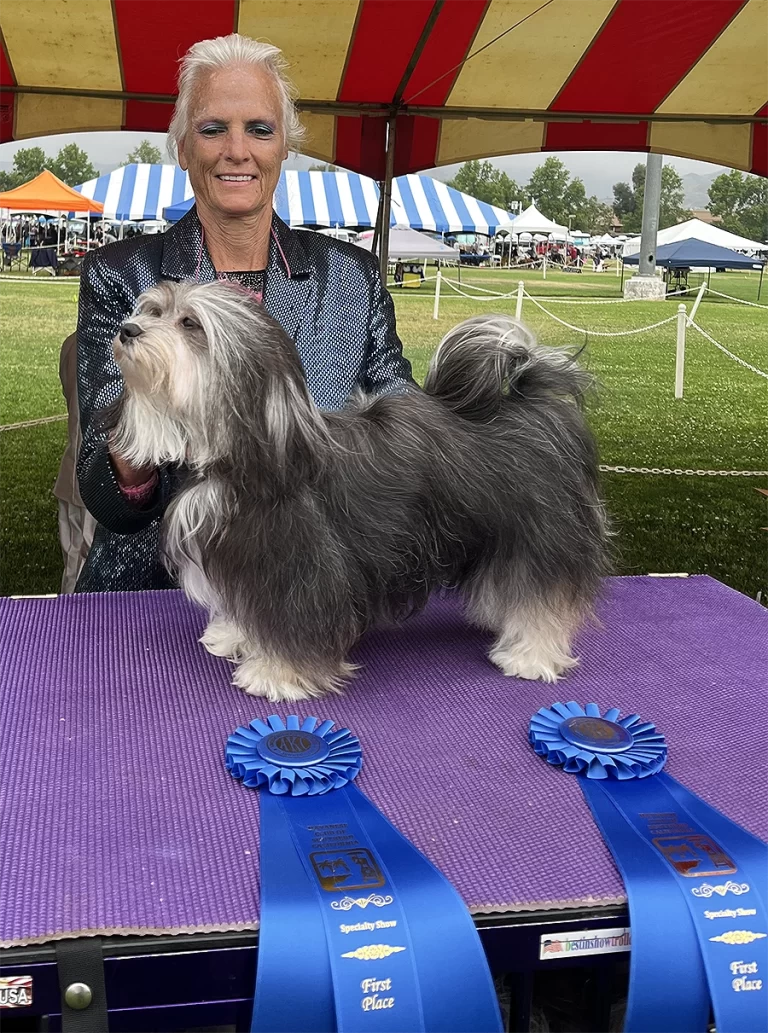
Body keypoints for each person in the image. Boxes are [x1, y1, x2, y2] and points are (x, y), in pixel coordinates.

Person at [74, 32, 413, 593]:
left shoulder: (353, 276)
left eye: (260, 129)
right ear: (183, 149)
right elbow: (108, 499)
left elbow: (401, 434)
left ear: (285, 148)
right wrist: (140, 423)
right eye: (212, 129)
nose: (238, 150)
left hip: (314, 586)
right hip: (159, 596)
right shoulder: (120, 274)